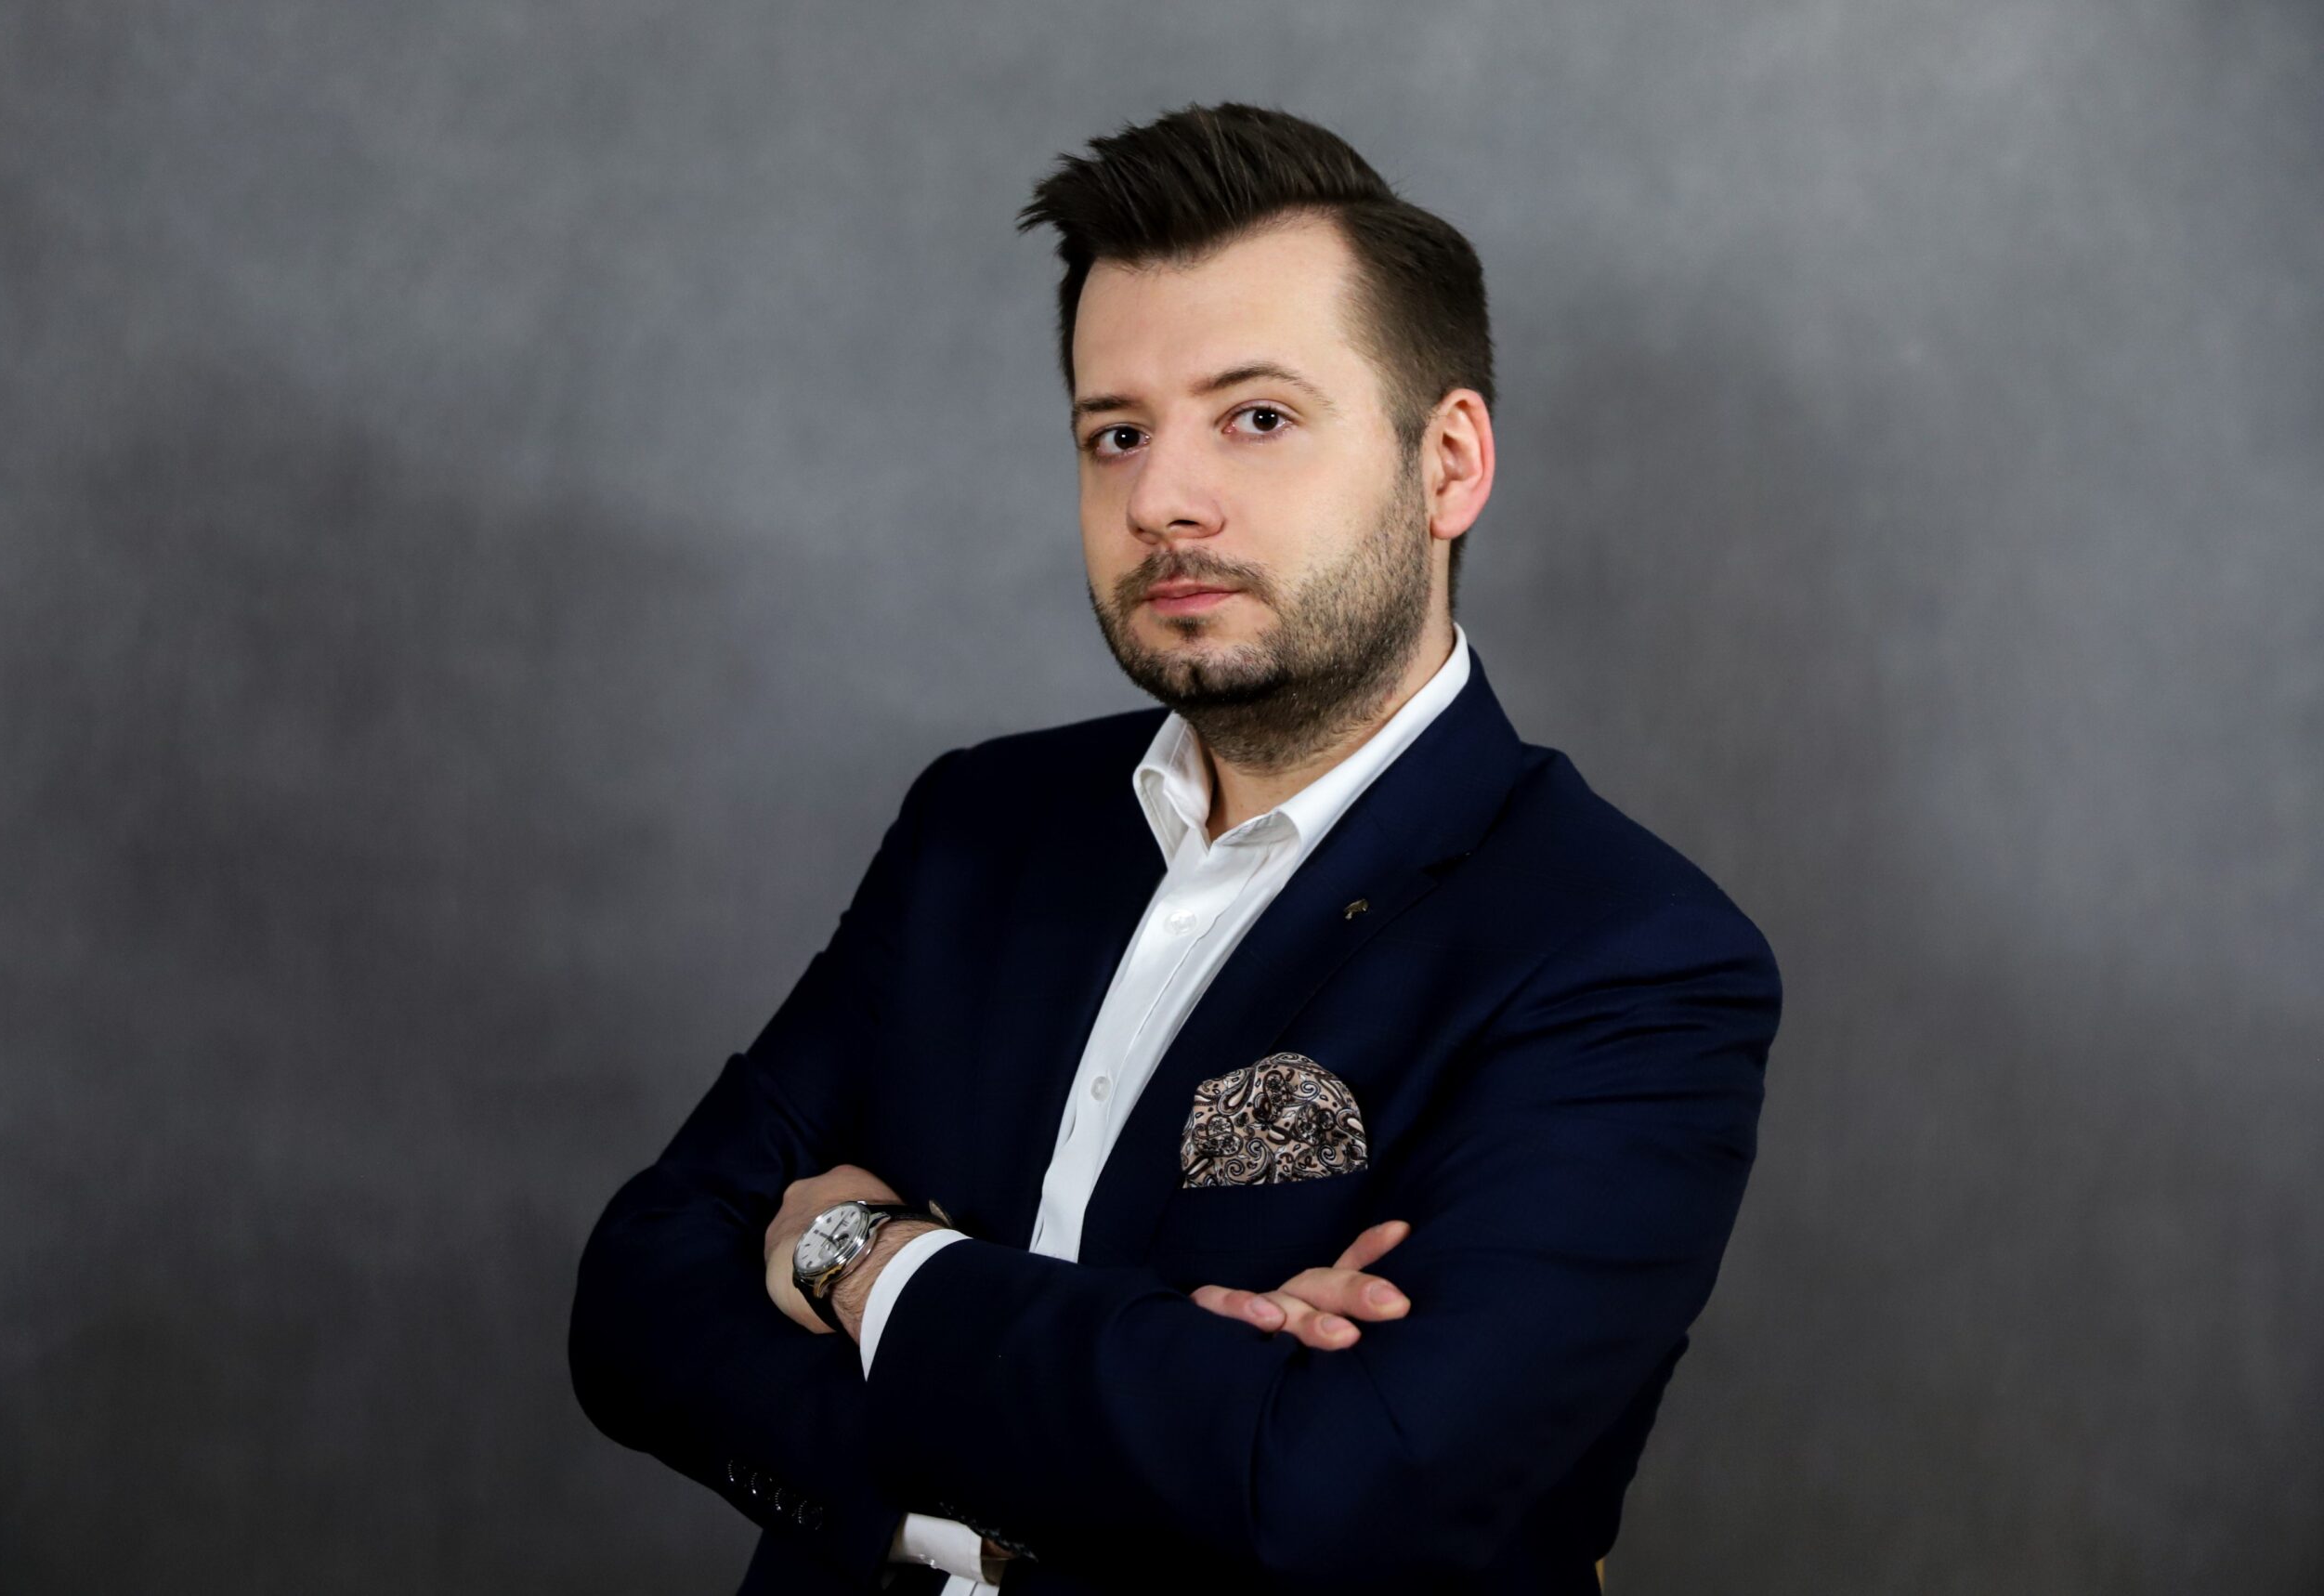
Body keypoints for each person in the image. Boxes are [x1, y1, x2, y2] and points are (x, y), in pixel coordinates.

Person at [568, 100, 1781, 1596]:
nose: (1161, 499)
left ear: (1449, 464)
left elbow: (1342, 1488)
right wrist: (1130, 1423)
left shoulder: (1628, 954)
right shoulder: (978, 827)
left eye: (1256, 418)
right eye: (1117, 433)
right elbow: (639, 1293)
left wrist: (864, 1256)